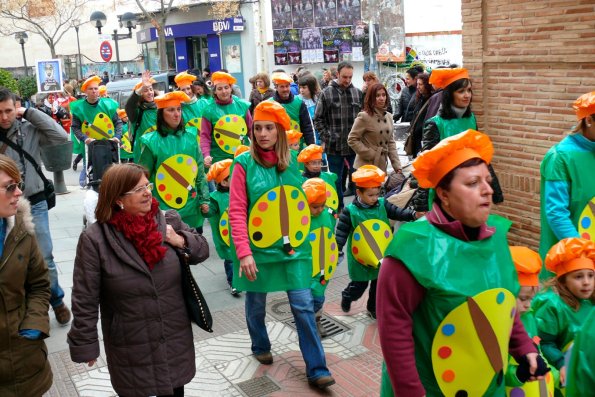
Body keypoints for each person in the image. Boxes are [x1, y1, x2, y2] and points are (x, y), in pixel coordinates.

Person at [376, 129, 545, 396]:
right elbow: (394, 335)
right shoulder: (411, 249)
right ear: (443, 193)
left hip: (488, 384)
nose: (488, 190)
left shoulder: (497, 237)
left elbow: (502, 306)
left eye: (488, 181)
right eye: (472, 183)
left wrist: (524, 350)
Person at [68, 163, 210, 397]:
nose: (147, 193)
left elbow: (202, 250)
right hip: (130, 340)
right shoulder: (95, 239)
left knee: (175, 389)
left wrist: (179, 240)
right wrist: (85, 342)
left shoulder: (167, 220)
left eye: (148, 186)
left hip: (173, 333)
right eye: (138, 189)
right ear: (118, 199)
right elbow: (85, 296)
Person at [229, 101, 335, 389]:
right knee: (256, 303)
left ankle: (317, 367)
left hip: (294, 250)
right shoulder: (243, 164)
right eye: (258, 128)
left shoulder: (293, 163)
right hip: (259, 251)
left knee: (303, 305)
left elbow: (299, 206)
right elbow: (237, 210)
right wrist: (244, 252)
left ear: (279, 131)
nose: (262, 134)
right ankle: (260, 344)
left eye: (268, 128)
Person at [0, 87, 72, 325]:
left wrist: (29, 112)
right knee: (10, 259)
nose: (4, 117)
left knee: (44, 255)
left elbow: (61, 136)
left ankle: (56, 300)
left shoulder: (28, 129)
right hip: (3, 205)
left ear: (16, 107)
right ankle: (22, 306)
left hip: (34, 200)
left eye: (9, 110)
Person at [0, 155, 53, 396]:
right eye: (9, 187)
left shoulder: (22, 229)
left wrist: (34, 323)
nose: (18, 193)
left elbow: (40, 284)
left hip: (25, 360)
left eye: (18, 184)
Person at [337, 165, 419, 320]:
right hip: (360, 258)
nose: (375, 198)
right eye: (370, 195)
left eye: (377, 193)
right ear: (358, 192)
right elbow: (341, 232)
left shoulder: (382, 204)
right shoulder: (350, 211)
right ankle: (348, 296)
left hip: (381, 254)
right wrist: (337, 248)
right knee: (359, 286)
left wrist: (413, 215)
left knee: (377, 285)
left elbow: (397, 212)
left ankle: (372, 307)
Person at [422, 68, 503, 204]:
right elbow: (427, 166)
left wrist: (496, 191)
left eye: (469, 90)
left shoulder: (471, 119)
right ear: (449, 94)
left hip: (472, 190)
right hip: (446, 194)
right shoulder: (435, 124)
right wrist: (421, 204)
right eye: (461, 91)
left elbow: (480, 156)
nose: (467, 95)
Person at [135, 91, 210, 229]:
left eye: (179, 109)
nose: (177, 114)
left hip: (191, 207)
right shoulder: (151, 142)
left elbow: (199, 172)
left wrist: (204, 199)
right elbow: (143, 177)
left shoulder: (191, 137)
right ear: (161, 114)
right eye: (171, 110)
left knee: (194, 245)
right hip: (165, 210)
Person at [539, 91, 595, 276]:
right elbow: (556, 213)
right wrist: (584, 252)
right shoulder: (560, 157)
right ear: (588, 120)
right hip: (572, 255)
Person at [534, 237, 594, 392]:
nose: (586, 282)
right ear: (564, 281)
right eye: (578, 276)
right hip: (563, 368)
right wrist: (562, 364)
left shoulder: (591, 301)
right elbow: (545, 343)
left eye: (591, 275)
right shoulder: (553, 305)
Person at [505, 246, 559, 396]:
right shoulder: (500, 324)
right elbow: (493, 373)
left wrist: (554, 375)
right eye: (522, 298)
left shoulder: (528, 316)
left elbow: (538, 353)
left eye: (531, 298)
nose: (528, 304)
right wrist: (518, 374)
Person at [314, 61, 362, 210]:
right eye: (344, 77)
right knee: (336, 179)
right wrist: (328, 137)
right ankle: (338, 208)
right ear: (337, 75)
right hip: (334, 146)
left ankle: (357, 208)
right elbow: (318, 119)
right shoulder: (326, 93)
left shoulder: (358, 93)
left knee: (358, 179)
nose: (347, 80)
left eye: (350, 77)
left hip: (354, 146)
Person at [302, 177, 338, 337]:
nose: (320, 209)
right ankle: (307, 321)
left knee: (318, 297)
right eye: (315, 207)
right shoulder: (300, 219)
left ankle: (316, 319)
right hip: (306, 266)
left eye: (323, 205)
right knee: (304, 297)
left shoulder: (326, 215)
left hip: (323, 264)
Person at [71, 75, 122, 186]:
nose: (94, 91)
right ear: (85, 91)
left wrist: (117, 137)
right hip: (91, 146)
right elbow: (75, 127)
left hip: (109, 144)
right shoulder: (79, 108)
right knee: (92, 177)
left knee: (111, 176)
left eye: (96, 88)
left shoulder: (108, 105)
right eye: (91, 89)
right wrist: (85, 138)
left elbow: (118, 122)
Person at [200, 71, 252, 166]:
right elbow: (205, 136)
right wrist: (206, 155)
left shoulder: (242, 106)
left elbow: (251, 131)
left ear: (231, 89)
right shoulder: (209, 111)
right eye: (219, 89)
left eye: (226, 87)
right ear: (215, 91)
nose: (224, 91)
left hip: (242, 156)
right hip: (219, 159)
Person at [348, 83, 401, 174]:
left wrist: (397, 166)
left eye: (384, 95)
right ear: (371, 98)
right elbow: (352, 139)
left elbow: (391, 143)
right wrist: (370, 154)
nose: (381, 98)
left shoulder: (389, 116)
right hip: (365, 166)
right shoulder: (364, 116)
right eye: (377, 95)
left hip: (381, 164)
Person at [204, 159, 239, 296]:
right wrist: (206, 209)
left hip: (241, 231)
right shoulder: (215, 197)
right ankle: (233, 282)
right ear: (224, 182)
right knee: (230, 258)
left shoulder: (240, 191)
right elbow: (210, 211)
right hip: (226, 235)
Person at [269, 72, 315, 146]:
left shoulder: (299, 102)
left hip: (297, 147)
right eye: (282, 87)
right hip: (277, 147)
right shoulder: (269, 104)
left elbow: (307, 127)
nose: (285, 89)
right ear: (276, 87)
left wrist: (311, 146)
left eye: (287, 86)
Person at [298, 144, 339, 214]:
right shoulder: (300, 180)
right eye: (313, 163)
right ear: (306, 164)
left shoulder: (327, 177)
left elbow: (332, 198)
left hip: (325, 212)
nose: (317, 166)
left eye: (319, 163)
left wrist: (333, 213)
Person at [404, 73, 434, 157]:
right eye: (417, 84)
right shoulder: (420, 99)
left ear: (427, 85)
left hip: (423, 141)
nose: (418, 87)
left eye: (420, 84)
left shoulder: (432, 101)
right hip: (416, 140)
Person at [125, 70, 158, 143]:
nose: (150, 93)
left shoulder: (161, 109)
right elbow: (129, 106)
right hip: (142, 151)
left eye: (151, 89)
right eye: (145, 91)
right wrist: (142, 88)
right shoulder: (136, 112)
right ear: (140, 94)